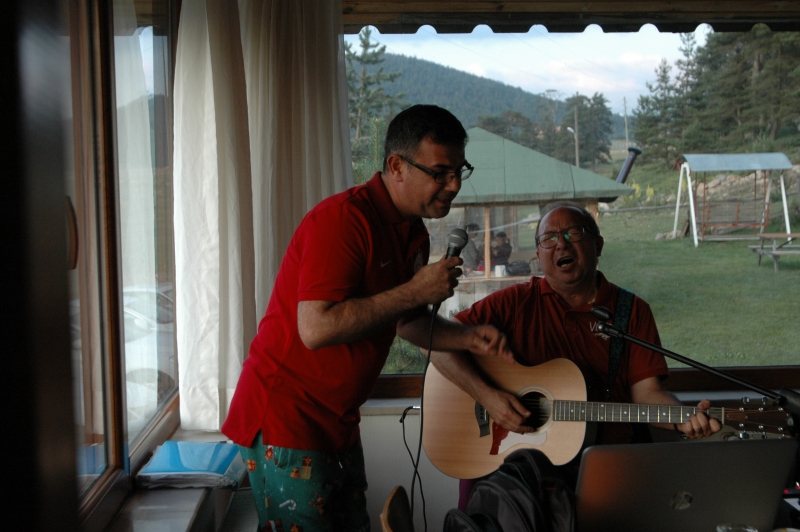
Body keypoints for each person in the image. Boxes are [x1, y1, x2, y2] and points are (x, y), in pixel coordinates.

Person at [221, 104, 512, 532]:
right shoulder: (343, 219)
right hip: (289, 419)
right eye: (440, 173)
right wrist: (416, 290)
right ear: (396, 166)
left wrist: (468, 339)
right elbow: (316, 328)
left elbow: (407, 320)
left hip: (337, 421)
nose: (453, 185)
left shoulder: (413, 231)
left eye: (459, 171)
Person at [426, 201, 721, 511]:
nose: (561, 244)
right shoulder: (512, 303)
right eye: (549, 238)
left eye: (573, 233)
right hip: (521, 476)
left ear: (598, 245)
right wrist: (487, 397)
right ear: (538, 255)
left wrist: (682, 419)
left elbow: (647, 393)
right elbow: (433, 341)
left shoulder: (631, 311)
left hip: (606, 470)